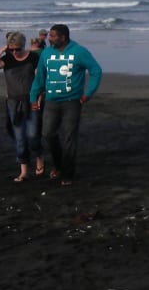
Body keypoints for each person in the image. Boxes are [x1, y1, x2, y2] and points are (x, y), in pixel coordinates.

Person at [29, 24, 102, 186]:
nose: (49, 38)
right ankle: (58, 165)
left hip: (72, 102)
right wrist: (34, 97)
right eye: (49, 35)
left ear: (63, 37)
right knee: (47, 134)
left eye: (53, 36)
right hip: (51, 101)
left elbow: (96, 70)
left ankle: (67, 174)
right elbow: (40, 76)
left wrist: (88, 93)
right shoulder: (47, 53)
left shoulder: (79, 51)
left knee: (69, 137)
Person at [0, 31, 43, 182]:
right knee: (19, 138)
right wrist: (1, 50)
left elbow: (40, 79)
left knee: (32, 135)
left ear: (23, 46)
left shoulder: (33, 57)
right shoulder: (7, 59)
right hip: (14, 103)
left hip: (31, 100)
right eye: (11, 49)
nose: (14, 52)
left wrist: (39, 97)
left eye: (17, 49)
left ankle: (38, 156)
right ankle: (23, 171)